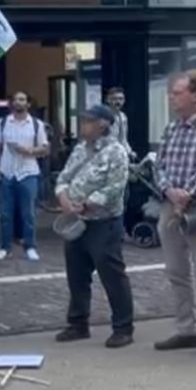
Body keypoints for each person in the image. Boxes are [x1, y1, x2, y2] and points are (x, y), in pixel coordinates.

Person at [54, 105, 134, 349]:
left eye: (88, 121)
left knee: (112, 275)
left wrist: (88, 203)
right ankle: (78, 323)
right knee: (76, 274)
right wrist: (64, 198)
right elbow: (64, 177)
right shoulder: (80, 149)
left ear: (102, 124)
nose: (83, 125)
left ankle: (123, 327)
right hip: (77, 222)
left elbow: (115, 188)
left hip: (104, 222)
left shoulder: (116, 152)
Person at [153, 73, 196, 358]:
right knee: (175, 270)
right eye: (171, 93)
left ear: (195, 95)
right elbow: (159, 164)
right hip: (171, 206)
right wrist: (169, 191)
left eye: (177, 93)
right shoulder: (171, 129)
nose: (172, 98)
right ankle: (186, 329)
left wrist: (187, 193)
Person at [0, 92, 49, 262]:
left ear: (28, 104)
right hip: (7, 171)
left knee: (28, 213)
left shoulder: (36, 124)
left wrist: (29, 150)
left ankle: (30, 246)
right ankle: (5, 247)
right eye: (16, 99)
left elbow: (44, 148)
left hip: (28, 172)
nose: (19, 102)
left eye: (22, 99)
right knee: (5, 213)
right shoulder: (3, 123)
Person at [106, 87, 134, 158]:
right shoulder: (103, 116)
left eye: (121, 99)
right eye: (114, 99)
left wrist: (130, 152)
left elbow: (123, 139)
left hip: (119, 154)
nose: (118, 102)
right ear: (108, 100)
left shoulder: (123, 117)